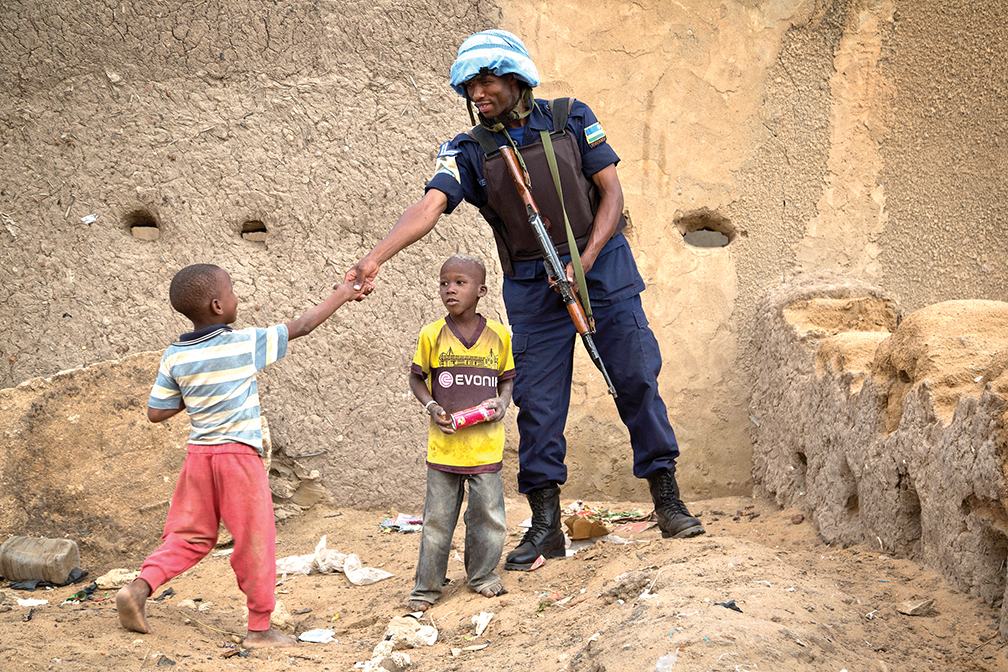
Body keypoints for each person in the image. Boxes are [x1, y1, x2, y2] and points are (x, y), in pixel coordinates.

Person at [346, 29, 704, 571]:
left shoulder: (571, 117)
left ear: (516, 78)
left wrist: (584, 261)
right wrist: (375, 258)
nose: (477, 94)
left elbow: (611, 193)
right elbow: (430, 205)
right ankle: (545, 525)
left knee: (635, 378)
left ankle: (667, 499)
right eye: (469, 86)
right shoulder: (468, 149)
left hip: (601, 269)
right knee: (538, 405)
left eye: (486, 81)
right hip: (533, 286)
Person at [116, 263, 362, 647]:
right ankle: (260, 630)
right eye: (231, 292)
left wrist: (197, 391)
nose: (236, 298)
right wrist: (343, 293)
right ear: (217, 306)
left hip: (199, 458)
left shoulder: (175, 355)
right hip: (237, 460)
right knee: (255, 540)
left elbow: (157, 412)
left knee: (190, 536)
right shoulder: (241, 343)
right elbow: (302, 326)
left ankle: (139, 589)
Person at [406, 254, 515, 612]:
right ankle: (426, 589)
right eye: (444, 283)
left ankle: (482, 576)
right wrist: (431, 406)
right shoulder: (432, 334)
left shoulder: (499, 336)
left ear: (481, 290)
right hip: (445, 449)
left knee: (488, 518)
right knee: (437, 521)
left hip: (485, 449)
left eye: (459, 283)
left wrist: (502, 403)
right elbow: (417, 378)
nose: (449, 289)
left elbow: (507, 381)